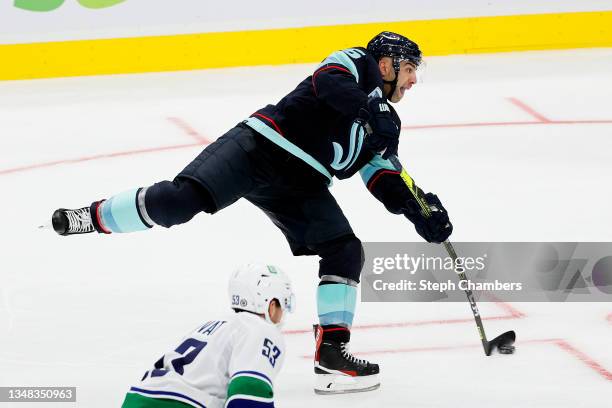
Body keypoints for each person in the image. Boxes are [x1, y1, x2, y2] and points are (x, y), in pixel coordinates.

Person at [51, 31, 453, 393]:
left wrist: (420, 211)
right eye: (410, 70)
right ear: (386, 65)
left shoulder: (387, 123)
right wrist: (366, 113)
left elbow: (384, 175)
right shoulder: (354, 62)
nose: (414, 80)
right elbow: (328, 84)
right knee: (179, 202)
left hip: (301, 183)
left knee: (345, 249)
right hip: (260, 146)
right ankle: (94, 216)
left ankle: (332, 355)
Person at [121, 263, 295, 408]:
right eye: (283, 304)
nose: (283, 313)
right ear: (270, 305)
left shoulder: (213, 325)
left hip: (137, 399)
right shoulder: (261, 329)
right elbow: (248, 390)